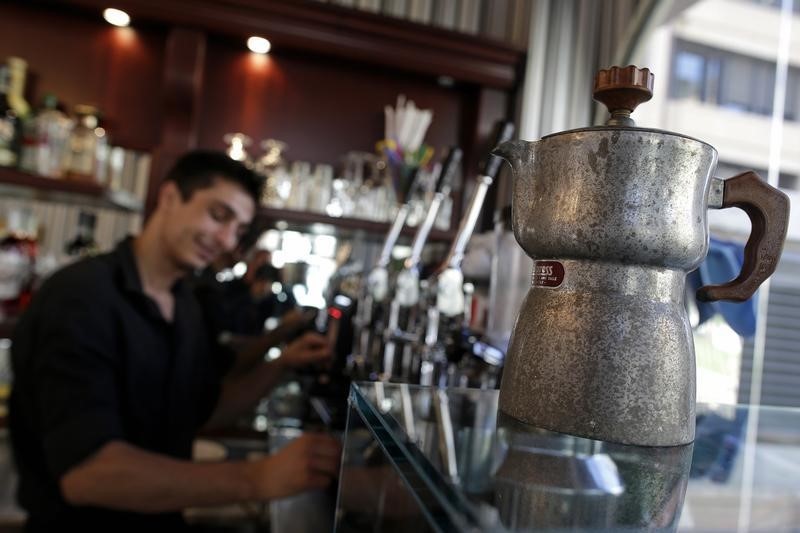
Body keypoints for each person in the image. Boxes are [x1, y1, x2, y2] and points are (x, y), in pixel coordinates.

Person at [9, 150, 341, 532]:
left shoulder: (184, 304)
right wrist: (258, 478)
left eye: (238, 229)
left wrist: (282, 364)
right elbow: (89, 474)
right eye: (219, 215)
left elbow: (201, 411)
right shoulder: (82, 298)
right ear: (169, 197)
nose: (226, 239)